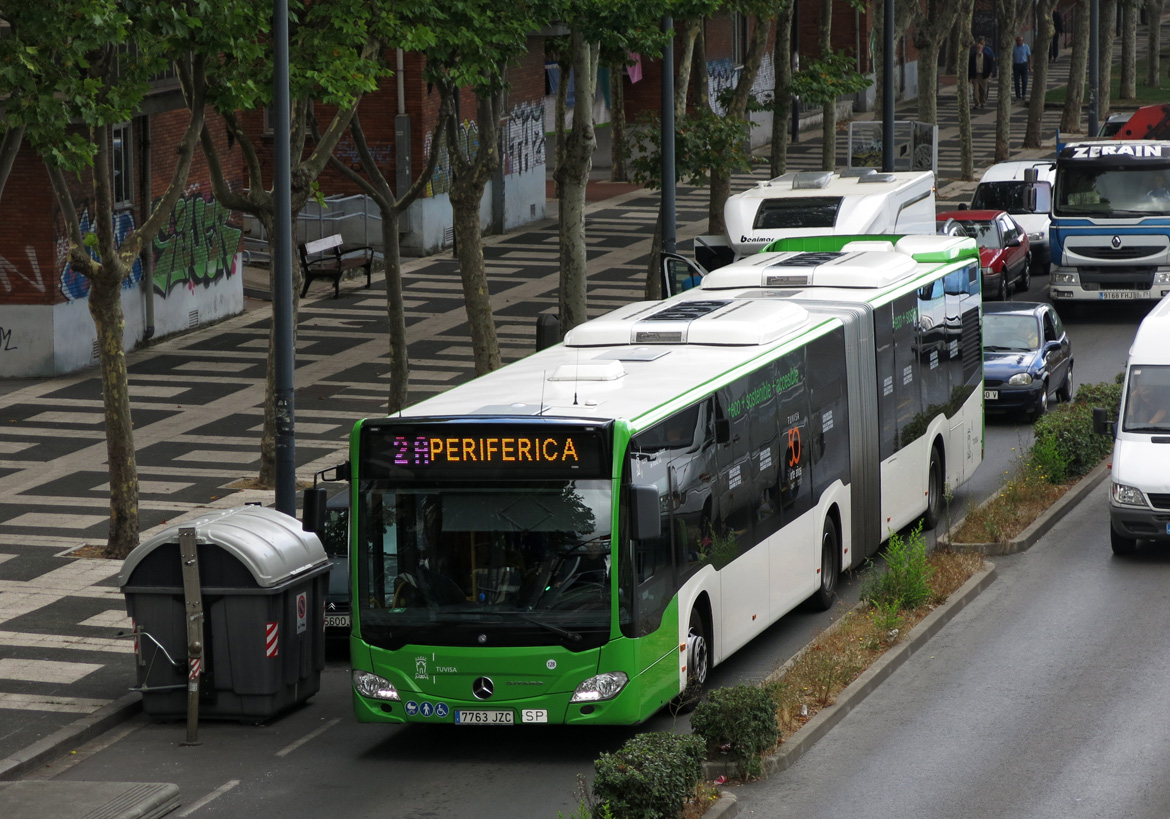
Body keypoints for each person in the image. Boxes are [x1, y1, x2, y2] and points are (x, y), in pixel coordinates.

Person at [968, 42, 995, 110]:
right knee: (975, 90)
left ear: (982, 48)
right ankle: (976, 103)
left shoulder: (986, 56)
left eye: (980, 48)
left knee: (983, 90)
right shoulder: (972, 57)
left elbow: (990, 65)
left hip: (983, 75)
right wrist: (969, 77)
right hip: (975, 75)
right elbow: (969, 67)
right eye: (977, 48)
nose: (978, 49)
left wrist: (990, 72)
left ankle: (982, 102)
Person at [1012, 35, 1032, 101]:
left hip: (1023, 64)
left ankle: (1024, 94)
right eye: (1018, 40)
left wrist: (1029, 65)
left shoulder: (1026, 47)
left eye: (1020, 40)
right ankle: (1018, 95)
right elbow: (1012, 56)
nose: (1019, 42)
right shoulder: (1014, 47)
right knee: (1016, 81)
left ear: (1022, 41)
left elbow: (1028, 56)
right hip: (1016, 65)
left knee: (1024, 80)